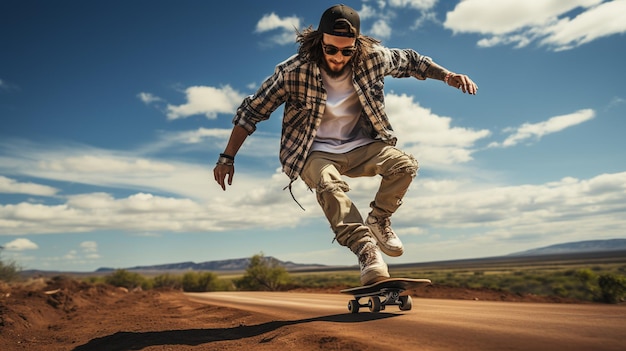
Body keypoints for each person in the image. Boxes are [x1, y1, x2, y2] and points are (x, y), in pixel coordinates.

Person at [214, 4, 477, 286]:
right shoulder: (293, 71)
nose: (339, 57)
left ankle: (379, 220)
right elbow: (252, 111)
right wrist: (227, 157)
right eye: (331, 49)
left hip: (363, 145)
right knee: (328, 185)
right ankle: (366, 249)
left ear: (356, 46)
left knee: (405, 165)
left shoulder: (374, 57)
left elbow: (411, 61)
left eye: (347, 50)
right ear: (319, 42)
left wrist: (447, 75)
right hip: (314, 152)